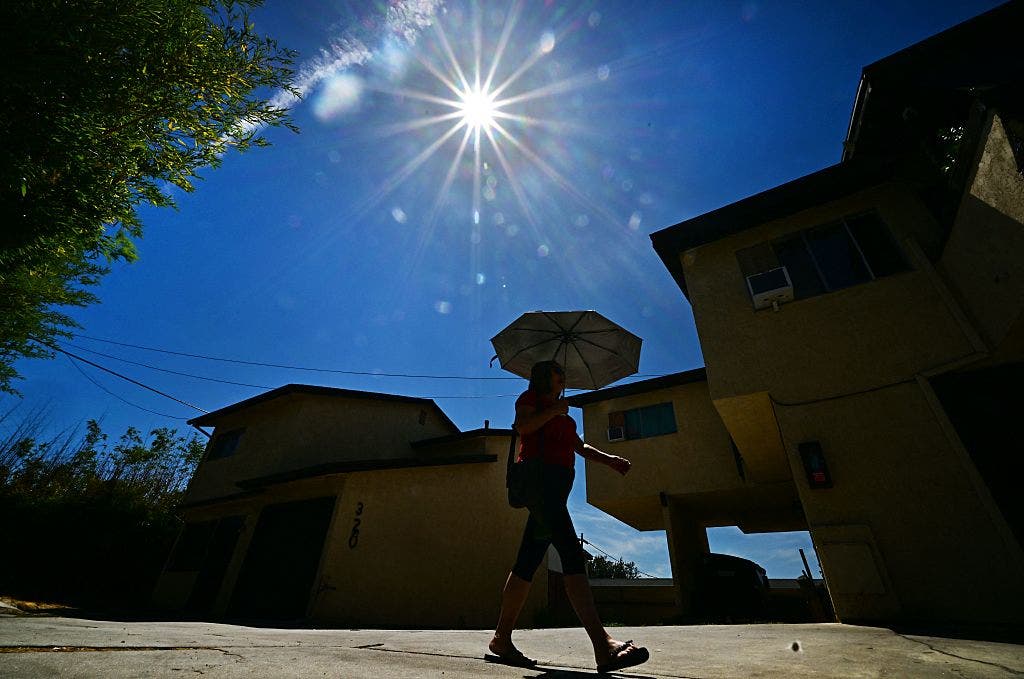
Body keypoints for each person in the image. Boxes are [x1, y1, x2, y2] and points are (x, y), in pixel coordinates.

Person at [486, 360, 650, 673]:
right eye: (558, 372)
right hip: (540, 487)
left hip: (556, 491)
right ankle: (603, 645)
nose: (563, 376)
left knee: (526, 563)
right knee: (572, 555)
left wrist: (609, 459)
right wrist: (553, 411)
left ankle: (501, 639)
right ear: (545, 376)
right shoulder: (530, 400)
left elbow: (579, 447)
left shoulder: (564, 412)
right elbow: (523, 428)